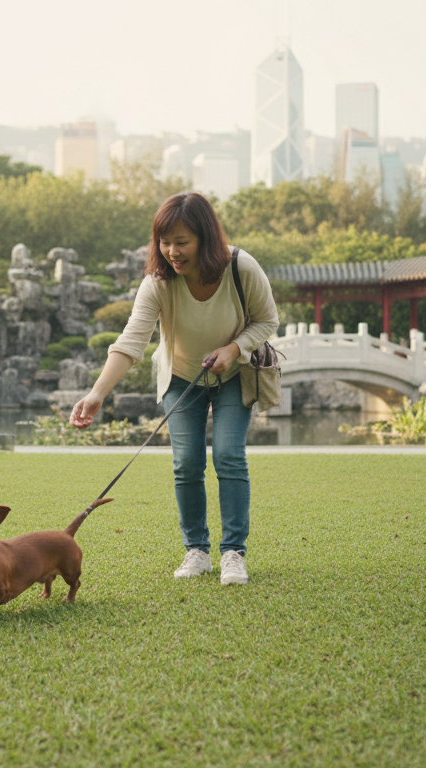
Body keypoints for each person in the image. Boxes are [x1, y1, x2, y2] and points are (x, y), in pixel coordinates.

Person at [70, 192, 278, 585]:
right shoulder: (158, 282)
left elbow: (268, 320)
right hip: (181, 377)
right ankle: (196, 550)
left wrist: (234, 349)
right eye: (164, 242)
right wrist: (97, 393)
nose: (172, 252)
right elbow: (132, 340)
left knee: (229, 455)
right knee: (186, 463)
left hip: (233, 375)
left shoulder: (241, 267)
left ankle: (233, 553)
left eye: (182, 242)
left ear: (205, 238)